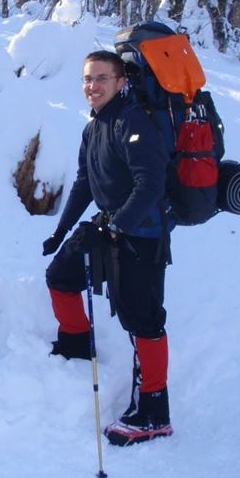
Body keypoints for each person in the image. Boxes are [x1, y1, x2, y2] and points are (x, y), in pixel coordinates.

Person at [42, 50, 173, 446]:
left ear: (120, 82)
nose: (92, 86)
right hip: (110, 227)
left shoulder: (134, 121)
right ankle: (77, 344)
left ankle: (154, 411)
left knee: (142, 320)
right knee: (61, 276)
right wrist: (61, 230)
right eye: (87, 79)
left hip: (142, 236)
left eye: (101, 78)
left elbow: (149, 186)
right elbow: (84, 181)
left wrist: (120, 226)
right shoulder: (95, 126)